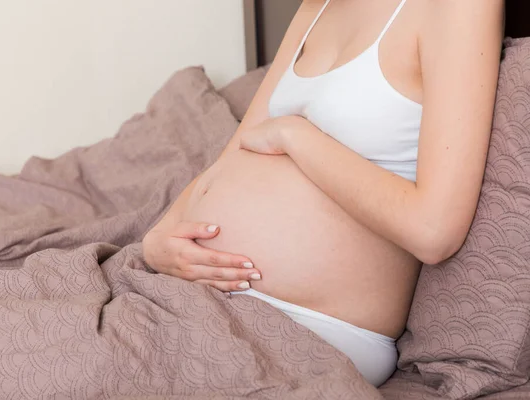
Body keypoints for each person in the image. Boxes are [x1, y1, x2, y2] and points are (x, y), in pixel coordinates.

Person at [143, 0, 504, 386]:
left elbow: (435, 231)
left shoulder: (458, 7)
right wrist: (159, 236)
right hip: (195, 298)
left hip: (310, 328)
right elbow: (235, 154)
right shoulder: (316, 7)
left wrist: (297, 137)